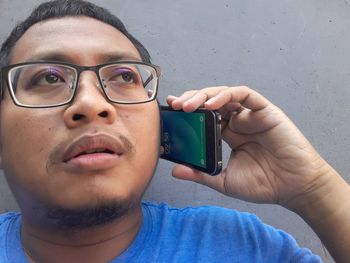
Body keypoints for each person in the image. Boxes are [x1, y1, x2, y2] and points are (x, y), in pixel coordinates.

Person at [0, 1, 349, 262]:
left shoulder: (244, 246)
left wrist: (314, 190)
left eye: (124, 76)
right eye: (49, 77)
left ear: (159, 126)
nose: (91, 104)